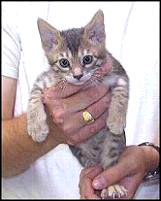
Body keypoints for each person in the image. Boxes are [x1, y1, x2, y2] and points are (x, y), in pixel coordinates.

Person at [2, 2, 159, 199]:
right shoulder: (14, 8)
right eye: (66, 63)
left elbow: (120, 80)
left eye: (85, 61)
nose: (77, 73)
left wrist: (152, 157)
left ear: (98, 36)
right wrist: (48, 128)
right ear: (48, 44)